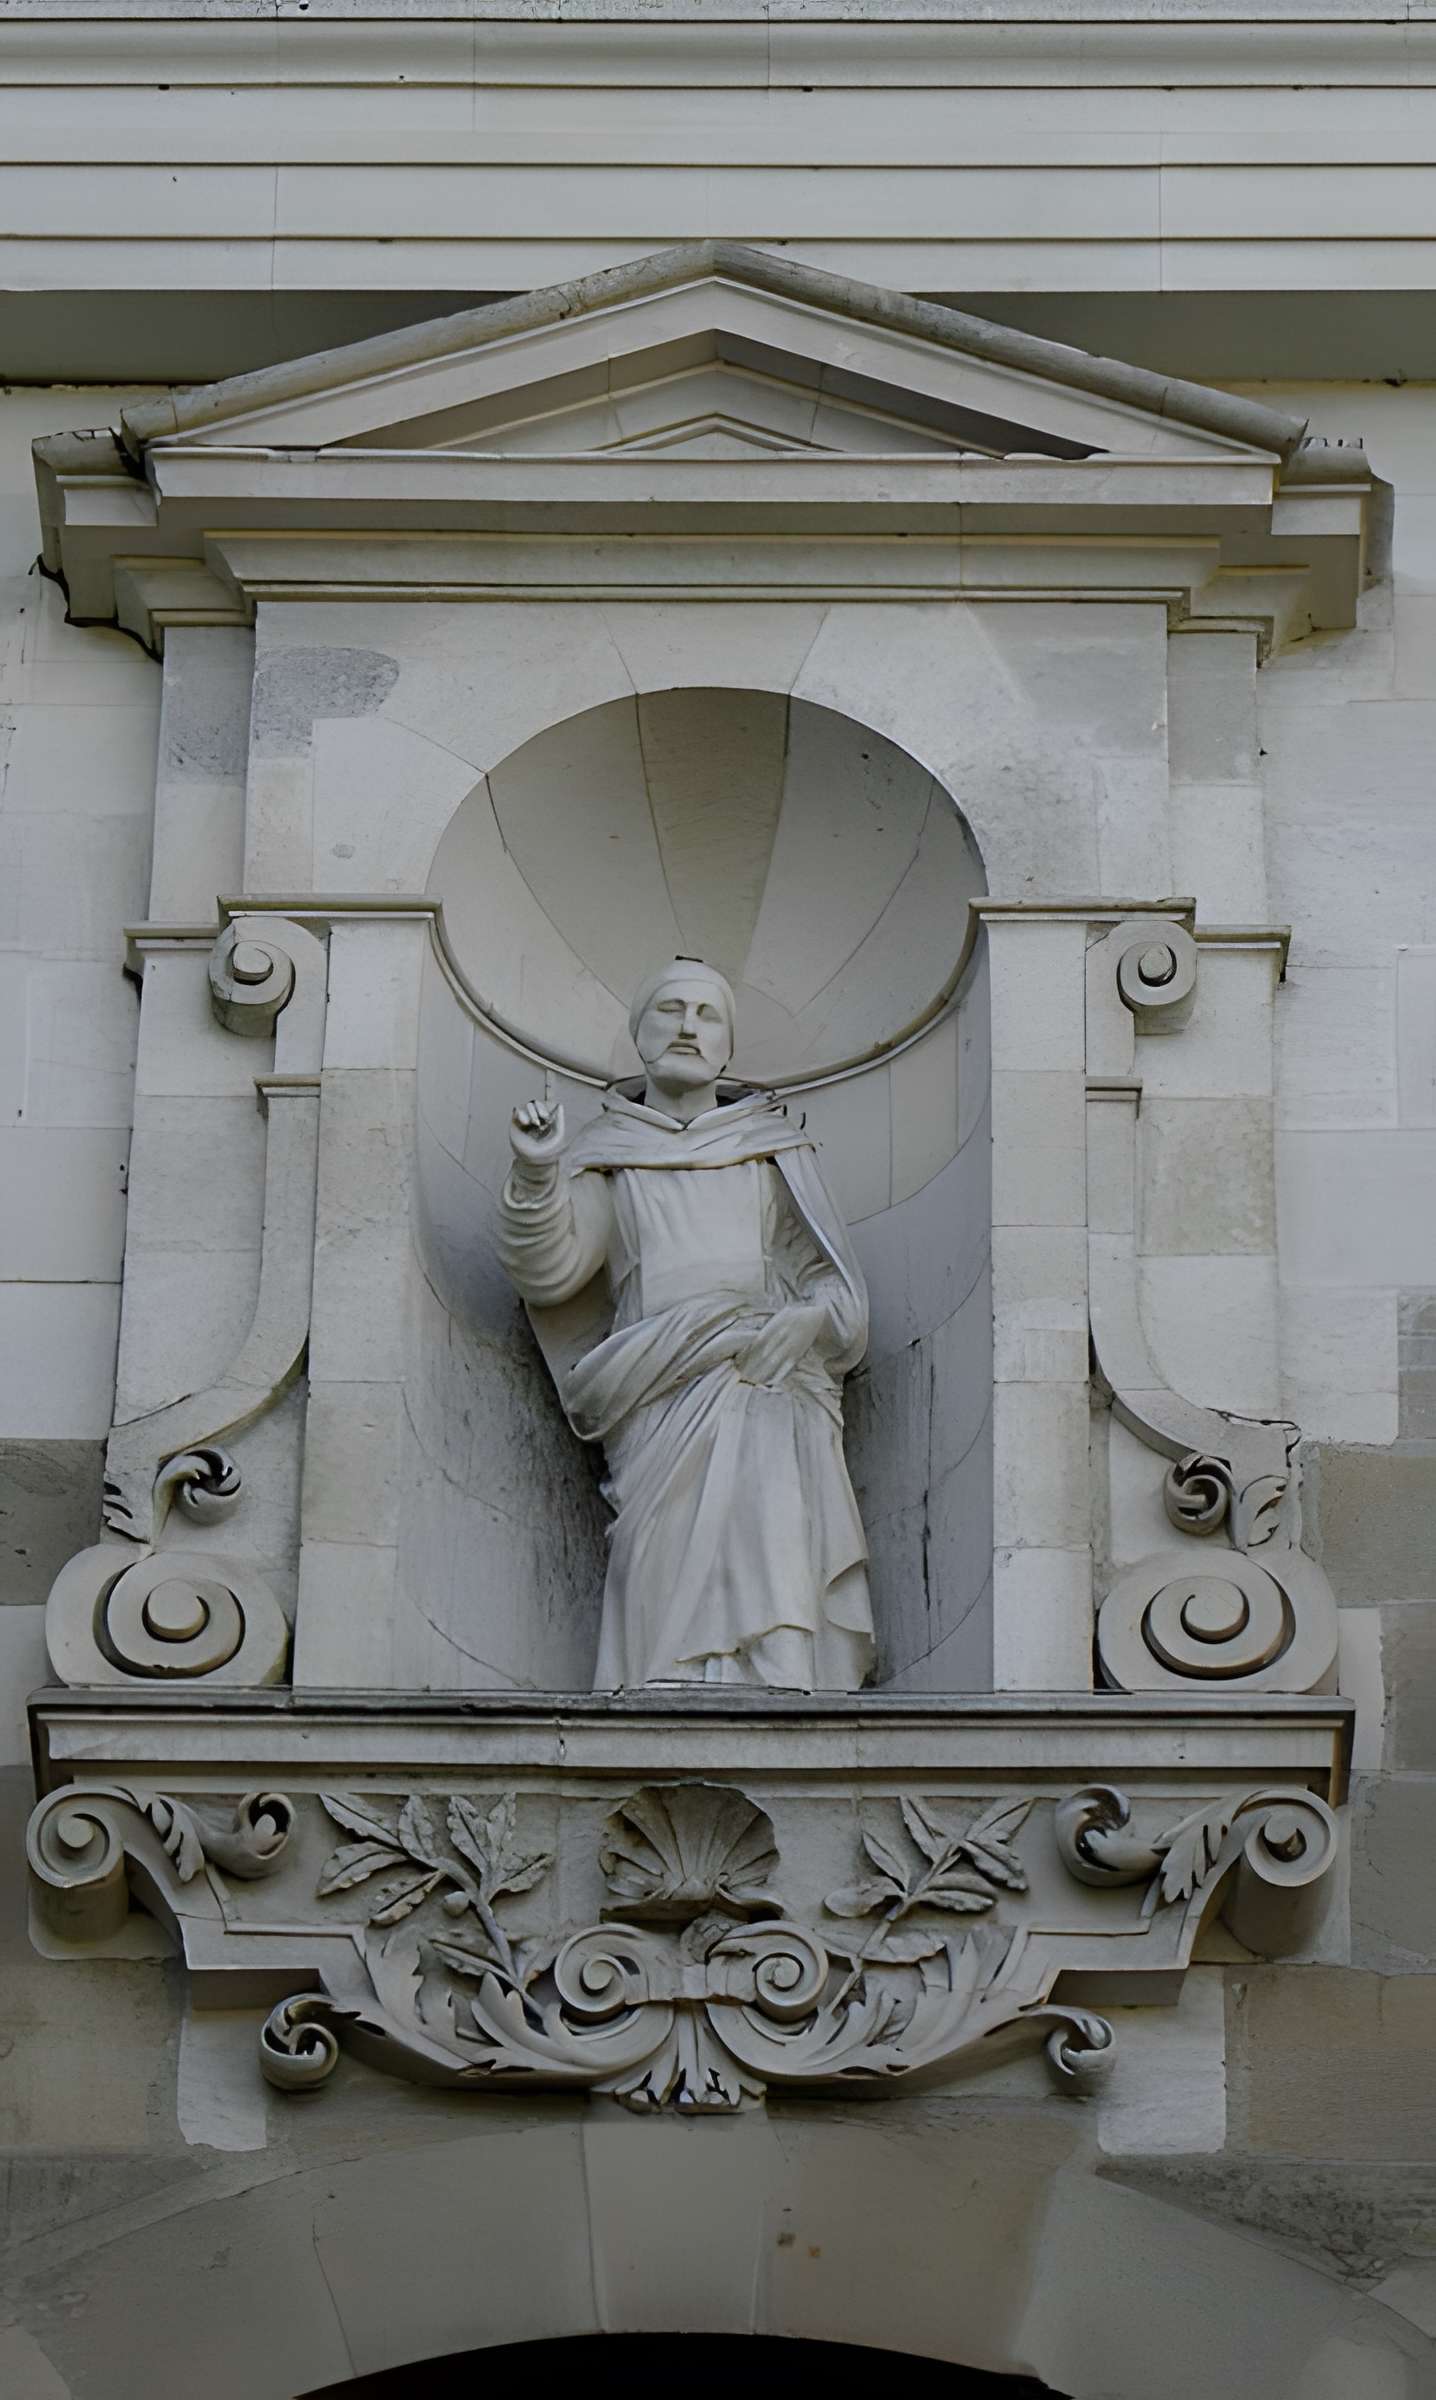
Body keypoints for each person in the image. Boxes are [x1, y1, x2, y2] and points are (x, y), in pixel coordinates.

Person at [497, 958, 874, 1690]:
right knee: (659, 1550)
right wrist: (538, 1174)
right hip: (656, 1390)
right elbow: (549, 1271)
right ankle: (655, 1686)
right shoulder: (611, 1157)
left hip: (762, 1379)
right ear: (638, 1036)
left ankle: (780, 1682)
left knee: (768, 1540)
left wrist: (804, 1324)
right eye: (669, 1010)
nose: (687, 1027)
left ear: (728, 1047)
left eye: (706, 1016)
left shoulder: (774, 1153)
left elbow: (841, 1295)